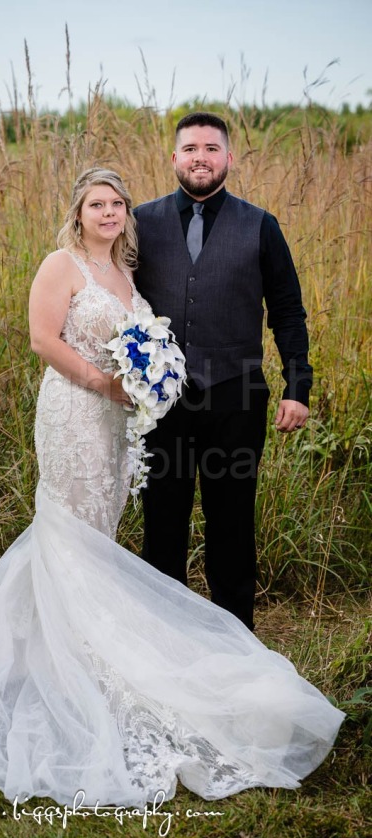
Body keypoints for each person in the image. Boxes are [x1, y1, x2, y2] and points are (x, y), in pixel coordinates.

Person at [0, 167, 343, 807]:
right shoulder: (63, 265)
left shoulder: (129, 274)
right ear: (78, 211)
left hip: (118, 424)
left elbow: (160, 339)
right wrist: (103, 384)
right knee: (68, 535)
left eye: (116, 204)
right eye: (96, 204)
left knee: (94, 539)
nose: (107, 213)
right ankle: (65, 671)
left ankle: (63, 655)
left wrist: (146, 382)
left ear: (125, 214)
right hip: (74, 415)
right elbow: (41, 339)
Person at [134, 112, 313, 631]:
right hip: (162, 403)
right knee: (162, 525)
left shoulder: (261, 225)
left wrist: (297, 387)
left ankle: (235, 644)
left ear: (229, 158)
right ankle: (166, 643)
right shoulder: (139, 222)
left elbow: (286, 310)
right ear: (174, 158)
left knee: (232, 524)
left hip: (236, 398)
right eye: (190, 148)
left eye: (212, 149)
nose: (201, 158)